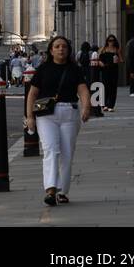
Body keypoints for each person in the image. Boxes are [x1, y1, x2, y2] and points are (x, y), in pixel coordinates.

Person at [26, 34, 91, 206]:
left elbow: (83, 90)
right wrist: (30, 117)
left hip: (69, 113)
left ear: (68, 50)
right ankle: (51, 189)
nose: (61, 49)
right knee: (51, 150)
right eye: (57, 46)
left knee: (67, 153)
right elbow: (32, 94)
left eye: (64, 46)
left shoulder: (74, 69)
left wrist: (86, 107)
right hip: (46, 115)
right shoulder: (43, 69)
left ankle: (63, 191)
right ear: (51, 51)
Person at [98, 35, 121, 113]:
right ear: (107, 41)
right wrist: (100, 63)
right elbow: (98, 59)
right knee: (105, 87)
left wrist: (118, 60)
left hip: (114, 70)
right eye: (109, 40)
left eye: (112, 40)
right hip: (105, 70)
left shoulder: (116, 50)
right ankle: (104, 105)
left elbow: (122, 60)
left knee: (113, 88)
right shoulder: (103, 49)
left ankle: (111, 105)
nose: (111, 42)